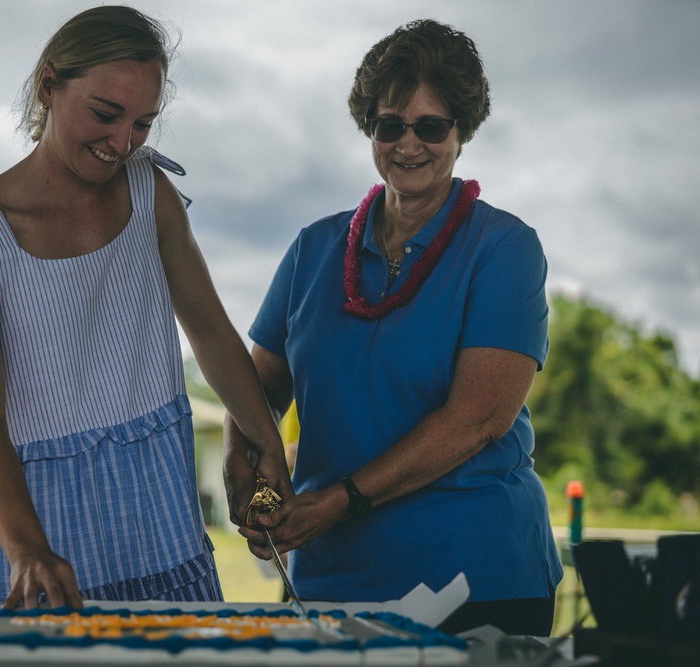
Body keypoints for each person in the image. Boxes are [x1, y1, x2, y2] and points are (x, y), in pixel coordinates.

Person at [0, 5, 287, 610]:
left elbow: (209, 330)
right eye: (105, 114)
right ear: (50, 85)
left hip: (155, 512)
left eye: (143, 123)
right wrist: (27, 547)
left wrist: (265, 443)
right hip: (27, 519)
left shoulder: (148, 191)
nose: (122, 142)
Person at [225, 19, 562, 636]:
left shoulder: (506, 248)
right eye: (389, 125)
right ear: (369, 129)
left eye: (430, 127)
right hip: (331, 579)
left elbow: (479, 419)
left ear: (462, 132)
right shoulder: (313, 248)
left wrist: (334, 503)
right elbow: (257, 386)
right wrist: (240, 465)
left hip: (476, 577)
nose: (408, 144)